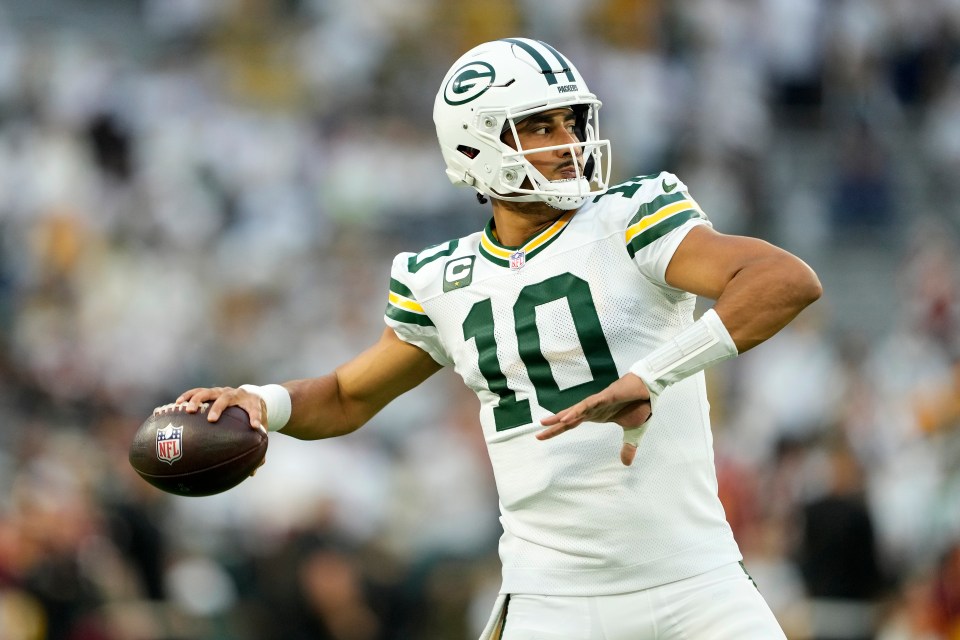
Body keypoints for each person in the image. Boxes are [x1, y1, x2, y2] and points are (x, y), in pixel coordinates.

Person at [171, 38, 822, 639]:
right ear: (475, 144)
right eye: (541, 125)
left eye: (572, 120)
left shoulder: (630, 217)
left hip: (697, 581)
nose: (568, 140)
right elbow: (347, 395)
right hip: (553, 602)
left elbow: (781, 278)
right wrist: (261, 401)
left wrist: (654, 374)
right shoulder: (439, 280)